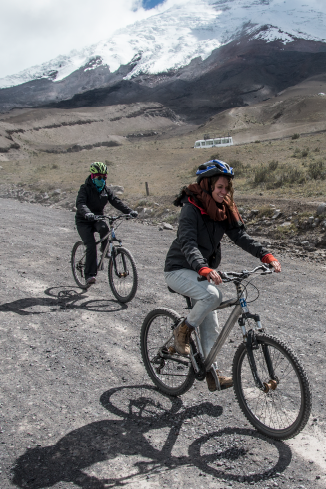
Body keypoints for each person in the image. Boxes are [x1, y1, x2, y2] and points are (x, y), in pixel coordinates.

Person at [164, 159, 281, 392]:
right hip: (179, 269)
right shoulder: (191, 208)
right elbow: (187, 242)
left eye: (227, 188)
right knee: (213, 295)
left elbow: (240, 237)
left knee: (212, 326)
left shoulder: (223, 209)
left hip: (200, 272)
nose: (224, 192)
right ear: (207, 185)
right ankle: (182, 331)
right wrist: (203, 267)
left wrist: (264, 254)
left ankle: (210, 372)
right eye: (219, 187)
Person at [75, 162, 138, 285]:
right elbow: (80, 203)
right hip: (84, 221)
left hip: (98, 218)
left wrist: (130, 212)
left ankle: (104, 249)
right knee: (91, 246)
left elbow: (116, 201)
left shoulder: (105, 190)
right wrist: (87, 213)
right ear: (93, 177)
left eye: (104, 178)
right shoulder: (85, 188)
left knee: (104, 228)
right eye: (99, 177)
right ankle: (89, 275)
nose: (102, 180)